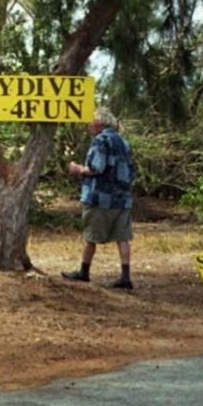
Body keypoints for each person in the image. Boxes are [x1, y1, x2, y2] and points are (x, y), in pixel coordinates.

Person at [62, 107, 137, 290]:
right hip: (122, 198)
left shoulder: (100, 141)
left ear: (99, 123)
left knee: (90, 236)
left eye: (92, 121)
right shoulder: (124, 142)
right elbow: (132, 170)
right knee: (122, 238)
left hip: (100, 198)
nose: (90, 125)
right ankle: (125, 277)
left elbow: (96, 168)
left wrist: (78, 169)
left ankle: (84, 272)